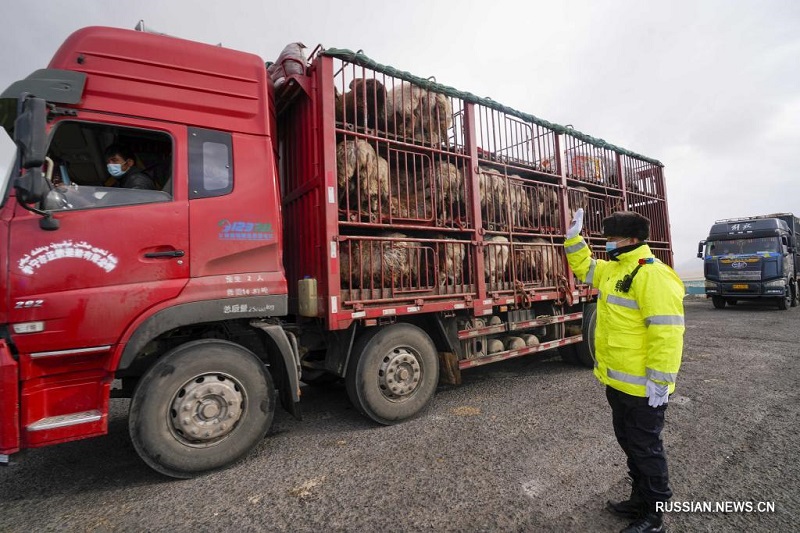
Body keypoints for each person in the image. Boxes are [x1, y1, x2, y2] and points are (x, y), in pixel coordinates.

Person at [564, 208, 685, 533]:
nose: (608, 245)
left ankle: (654, 515)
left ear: (631, 240)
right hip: (618, 383)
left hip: (645, 388)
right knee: (631, 446)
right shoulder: (615, 269)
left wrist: (661, 381)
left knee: (647, 450)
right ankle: (639, 499)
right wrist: (574, 239)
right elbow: (585, 268)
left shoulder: (652, 274)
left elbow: (667, 331)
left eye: (612, 239)